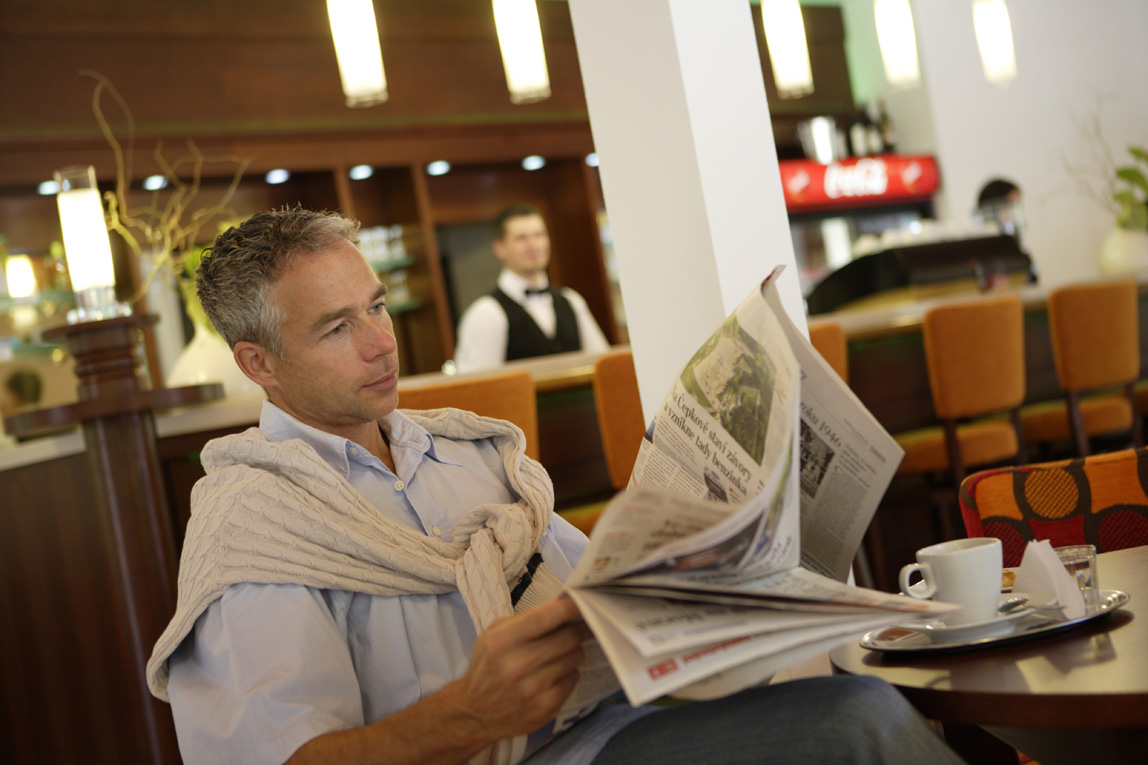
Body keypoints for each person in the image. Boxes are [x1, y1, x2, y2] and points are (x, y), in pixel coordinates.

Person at [146, 206, 965, 765]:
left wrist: (715, 565)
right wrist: (468, 714)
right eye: (337, 326)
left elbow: (599, 593)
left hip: (611, 722)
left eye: (378, 306)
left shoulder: (466, 454)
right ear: (258, 363)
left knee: (863, 687)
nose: (381, 343)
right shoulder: (254, 526)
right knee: (855, 723)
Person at [453, 203, 611, 373]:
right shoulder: (486, 313)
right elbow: (476, 384)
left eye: (539, 235)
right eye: (521, 238)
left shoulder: (572, 300)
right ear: (500, 248)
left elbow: (603, 365)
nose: (533, 245)